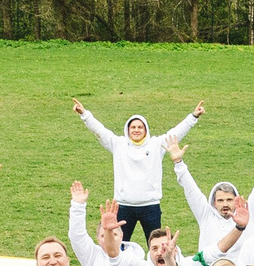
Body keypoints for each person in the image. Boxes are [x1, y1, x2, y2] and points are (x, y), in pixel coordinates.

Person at [73, 99, 202, 236]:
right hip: (124, 206)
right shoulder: (118, 144)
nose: (136, 130)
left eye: (140, 127)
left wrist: (193, 116)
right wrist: (84, 114)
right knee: (120, 246)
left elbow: (176, 133)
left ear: (146, 130)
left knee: (156, 245)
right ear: (128, 130)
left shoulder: (156, 144)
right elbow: (99, 131)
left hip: (151, 206)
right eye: (133, 127)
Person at [169, 134, 254, 266]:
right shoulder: (205, 215)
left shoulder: (248, 213)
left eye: (229, 200)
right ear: (214, 203)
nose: (225, 204)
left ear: (236, 200)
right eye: (220, 201)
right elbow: (190, 189)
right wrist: (178, 163)